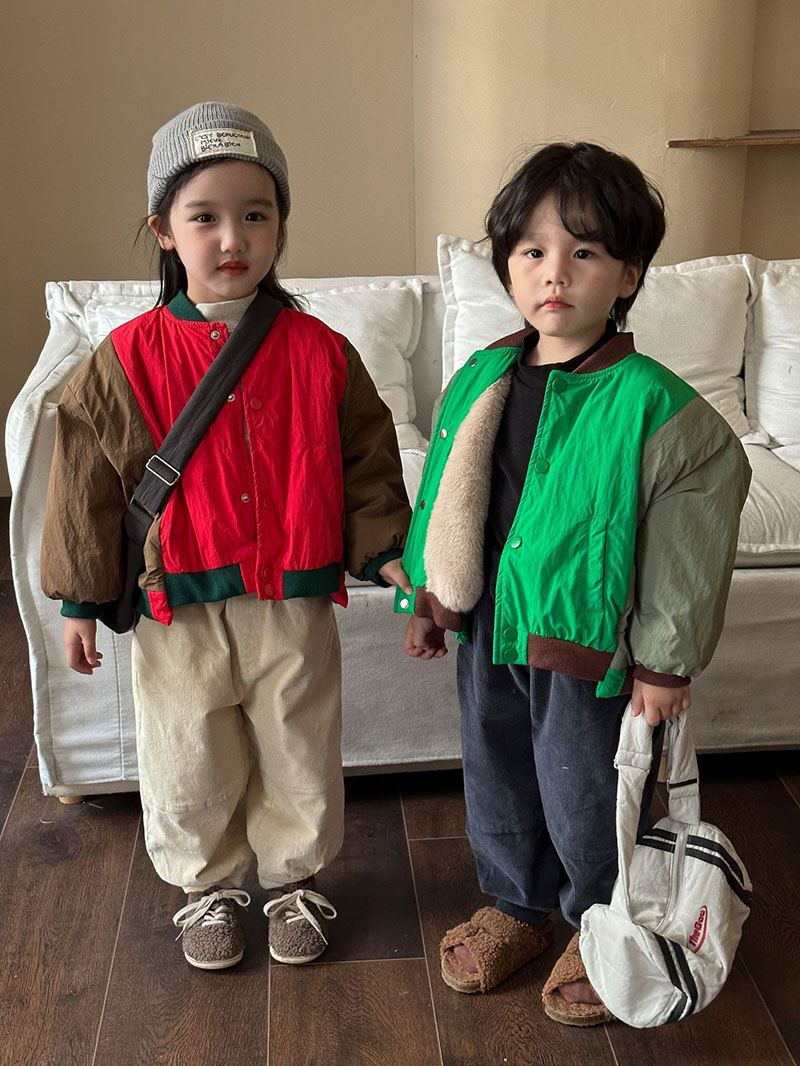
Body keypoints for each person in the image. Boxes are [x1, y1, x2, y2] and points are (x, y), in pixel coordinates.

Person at [41, 102, 413, 971]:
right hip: (179, 603)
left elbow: (365, 462)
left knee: (299, 745)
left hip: (293, 595)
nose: (232, 238)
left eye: (256, 214)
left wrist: (388, 550)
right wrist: (79, 600)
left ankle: (294, 880)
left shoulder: (321, 351)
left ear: (282, 223)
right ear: (163, 230)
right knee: (187, 751)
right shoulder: (124, 359)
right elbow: (87, 485)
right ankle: (205, 886)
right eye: (204, 216)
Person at [397, 142, 751, 1025]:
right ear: (507, 266)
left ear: (629, 274)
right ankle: (518, 903)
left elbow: (686, 550)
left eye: (584, 251)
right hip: (492, 627)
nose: (554, 272)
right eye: (533, 250)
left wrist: (665, 663)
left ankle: (605, 920)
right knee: (496, 771)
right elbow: (447, 493)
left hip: (590, 644)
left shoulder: (658, 408)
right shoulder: (482, 375)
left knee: (587, 790)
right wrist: (431, 599)